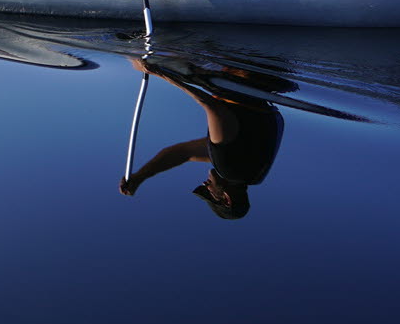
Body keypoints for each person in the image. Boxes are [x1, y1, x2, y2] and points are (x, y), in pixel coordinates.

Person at [118, 55, 286, 220]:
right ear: (226, 198)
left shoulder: (248, 168)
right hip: (241, 78)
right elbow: (211, 105)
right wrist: (160, 73)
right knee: (141, 60)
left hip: (269, 80)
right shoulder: (229, 168)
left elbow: (183, 153)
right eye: (209, 192)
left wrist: (140, 177)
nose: (205, 185)